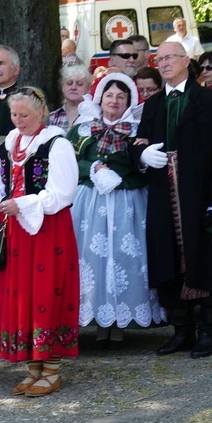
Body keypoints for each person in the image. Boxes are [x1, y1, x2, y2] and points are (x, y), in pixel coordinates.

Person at [132, 41, 212, 359]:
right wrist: (141, 154)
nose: (162, 63)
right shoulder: (152, 105)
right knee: (168, 256)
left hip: (200, 191)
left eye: (168, 58)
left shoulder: (210, 100)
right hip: (164, 194)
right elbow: (139, 141)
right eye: (158, 59)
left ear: (184, 61)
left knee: (206, 255)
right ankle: (182, 329)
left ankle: (208, 330)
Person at [0, 87, 80, 397]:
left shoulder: (57, 144)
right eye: (14, 114)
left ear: (41, 112)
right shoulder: (11, 143)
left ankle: (51, 369)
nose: (18, 120)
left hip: (47, 229)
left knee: (47, 291)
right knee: (22, 294)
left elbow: (62, 194)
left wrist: (22, 203)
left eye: (24, 115)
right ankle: (33, 367)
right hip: (16, 231)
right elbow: (1, 183)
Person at [68, 73, 165, 346]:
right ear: (100, 98)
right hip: (89, 203)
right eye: (109, 95)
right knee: (91, 259)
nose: (114, 101)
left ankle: (121, 323)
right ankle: (98, 322)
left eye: (121, 97)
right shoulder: (83, 128)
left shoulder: (137, 131)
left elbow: (145, 169)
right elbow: (69, 161)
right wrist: (94, 169)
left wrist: (123, 177)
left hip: (126, 203)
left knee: (125, 258)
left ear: (129, 101)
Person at [48, 64, 91, 132]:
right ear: (62, 86)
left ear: (88, 88)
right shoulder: (51, 118)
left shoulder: (95, 116)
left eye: (79, 84)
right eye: (69, 83)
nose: (73, 87)